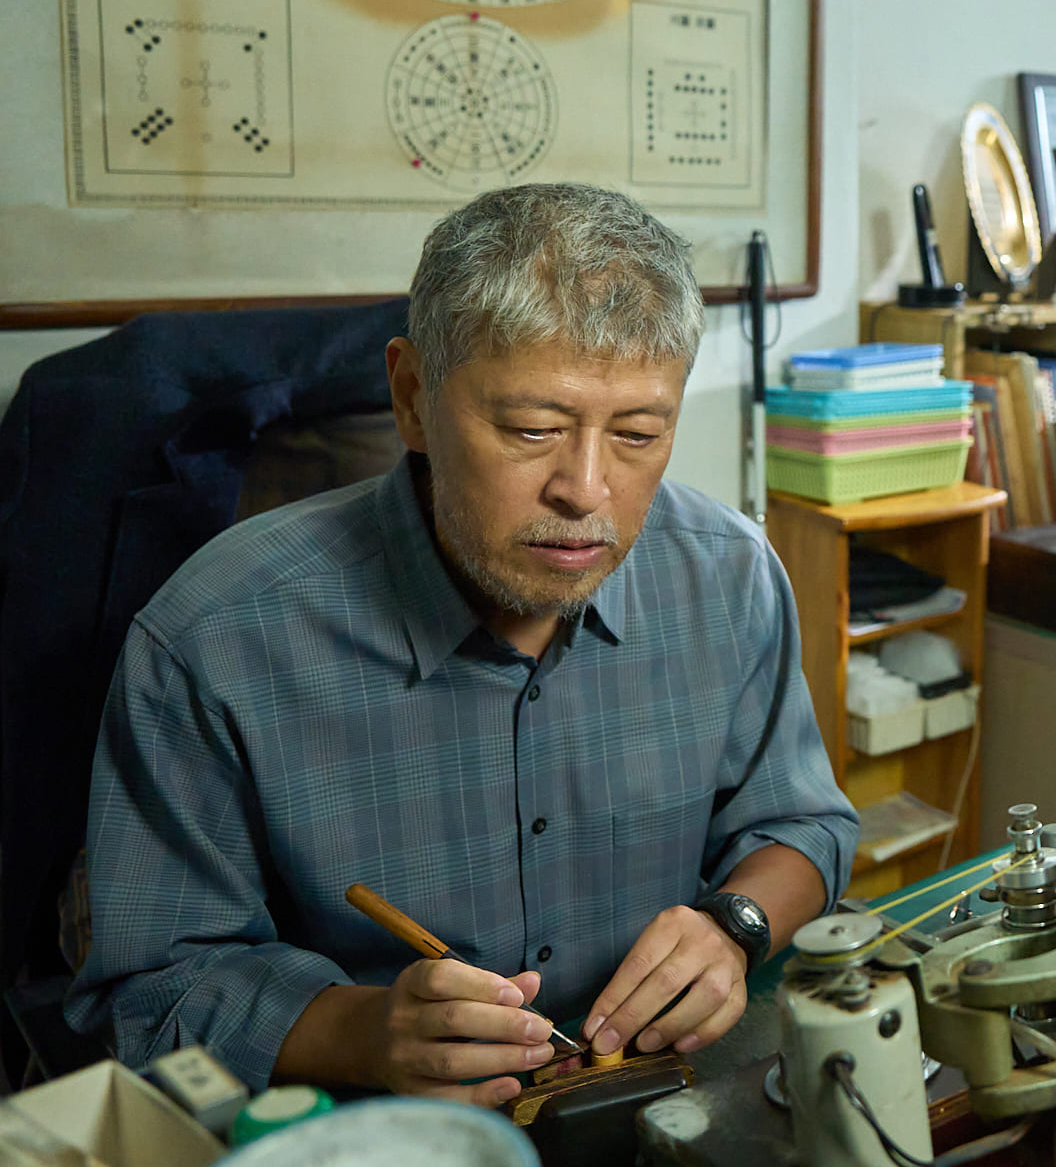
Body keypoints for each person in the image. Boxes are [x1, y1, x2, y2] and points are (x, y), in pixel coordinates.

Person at [66, 184, 858, 1101]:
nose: (585, 489)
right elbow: (150, 989)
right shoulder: (214, 638)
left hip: (659, 1095)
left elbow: (802, 822)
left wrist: (736, 925)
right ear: (412, 397)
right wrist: (365, 1034)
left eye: (639, 434)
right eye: (532, 429)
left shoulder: (727, 574)